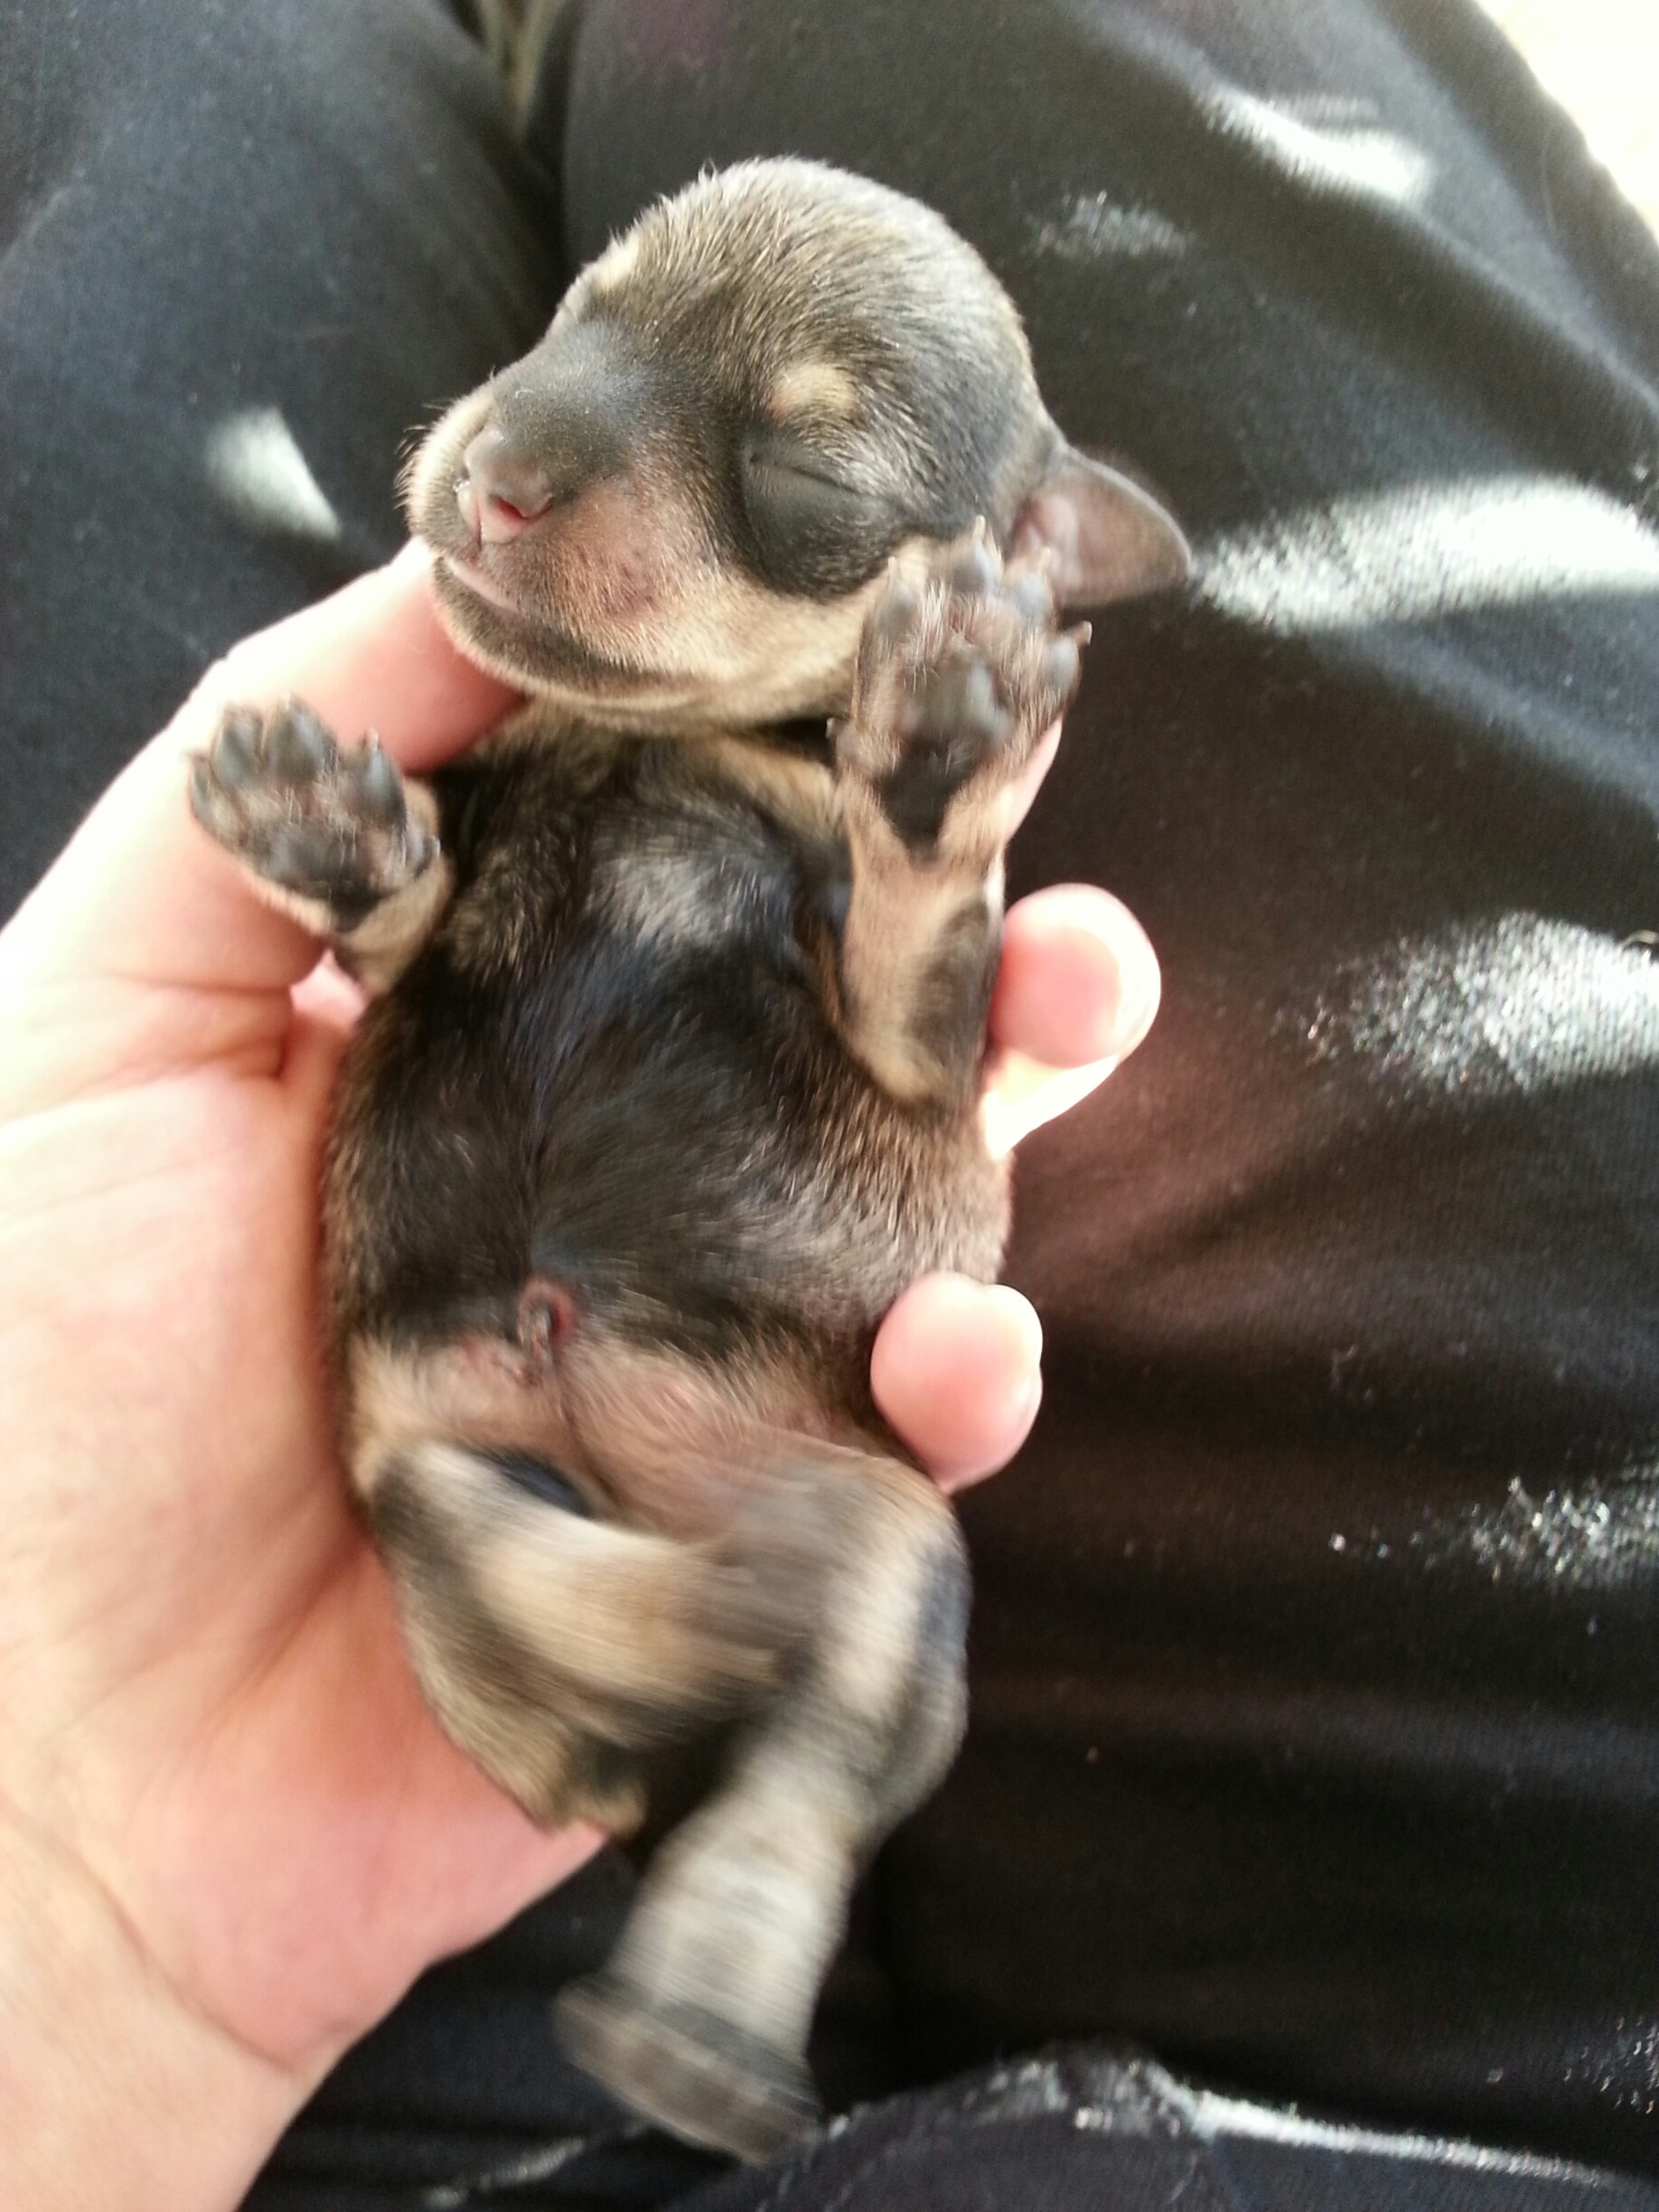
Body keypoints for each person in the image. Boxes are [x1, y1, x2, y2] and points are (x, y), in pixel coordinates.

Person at [3, 2, 1658, 2207]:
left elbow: (906, 1016)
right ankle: (697, 1720)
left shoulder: (859, 829)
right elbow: (437, 957)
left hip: (611, 1490)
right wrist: (380, 877)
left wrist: (923, 845)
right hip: (433, 1465)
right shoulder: (546, 741)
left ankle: (761, 1876)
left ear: (1018, 556)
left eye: (789, 484)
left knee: (882, 1568)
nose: (517, 464)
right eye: (588, 331)